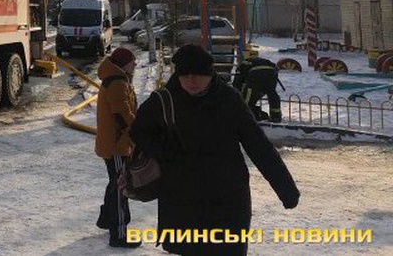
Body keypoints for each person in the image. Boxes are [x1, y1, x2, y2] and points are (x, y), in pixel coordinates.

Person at [130, 44, 299, 256]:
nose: (191, 81)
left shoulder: (229, 99)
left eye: (198, 75)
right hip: (183, 198)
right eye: (185, 75)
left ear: (210, 74)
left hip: (227, 198)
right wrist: (165, 153)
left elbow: (258, 145)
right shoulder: (164, 100)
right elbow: (138, 131)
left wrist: (286, 189)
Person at [95, 47, 142, 249]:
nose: (135, 65)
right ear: (124, 64)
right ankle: (119, 234)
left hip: (116, 143)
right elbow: (123, 113)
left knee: (115, 182)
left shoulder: (118, 79)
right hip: (117, 145)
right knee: (121, 187)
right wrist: (139, 131)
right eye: (133, 61)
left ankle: (106, 219)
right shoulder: (117, 82)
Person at [233, 56, 282, 123]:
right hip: (272, 71)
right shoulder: (258, 61)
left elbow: (237, 83)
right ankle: (276, 116)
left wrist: (238, 95)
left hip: (255, 74)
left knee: (247, 99)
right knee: (272, 94)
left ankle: (246, 117)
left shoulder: (241, 66)